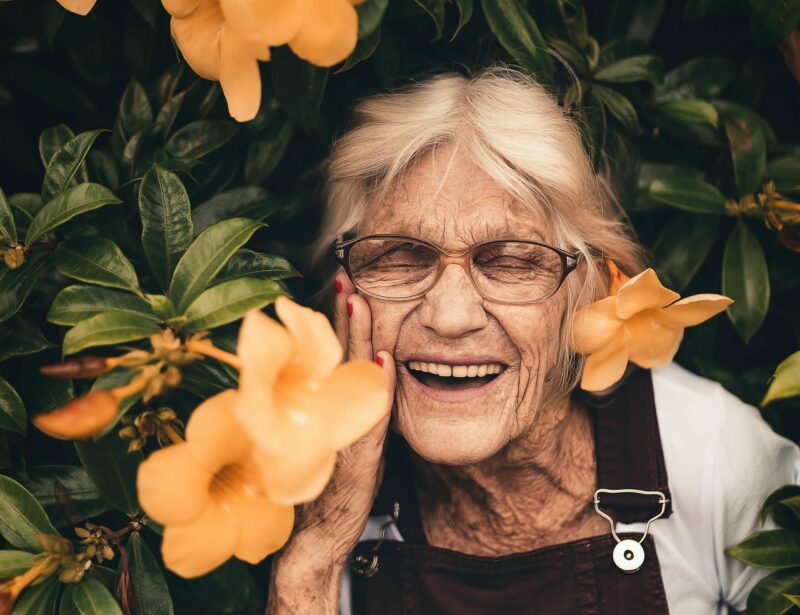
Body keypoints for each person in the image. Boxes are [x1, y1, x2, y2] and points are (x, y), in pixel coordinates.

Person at [265, 67, 800, 615]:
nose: (449, 317)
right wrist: (315, 556)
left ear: (586, 290)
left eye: (511, 261)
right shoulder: (310, 491)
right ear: (343, 292)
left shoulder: (708, 455)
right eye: (400, 257)